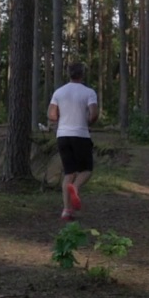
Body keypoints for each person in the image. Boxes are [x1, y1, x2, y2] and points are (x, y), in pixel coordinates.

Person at [48, 62, 99, 221]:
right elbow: (94, 113)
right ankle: (75, 188)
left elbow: (51, 115)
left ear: (68, 73)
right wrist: (88, 121)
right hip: (81, 135)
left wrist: (61, 119)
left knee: (69, 172)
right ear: (82, 74)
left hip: (62, 135)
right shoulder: (89, 92)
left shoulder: (59, 92)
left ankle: (66, 211)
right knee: (86, 169)